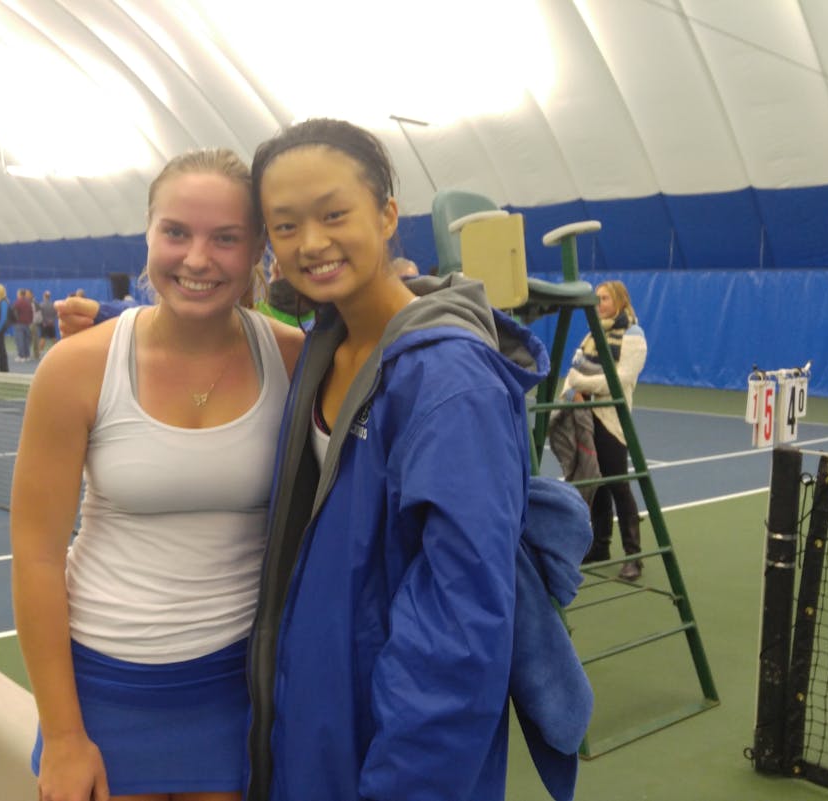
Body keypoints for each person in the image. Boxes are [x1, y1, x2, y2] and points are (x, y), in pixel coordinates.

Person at [246, 118, 544, 801]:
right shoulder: (324, 348)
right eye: (284, 226)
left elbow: (461, 628)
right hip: (312, 733)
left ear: (386, 215)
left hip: (391, 757)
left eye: (333, 214)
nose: (311, 243)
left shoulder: (450, 384)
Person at [9, 147, 302, 801]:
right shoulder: (76, 369)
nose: (197, 259)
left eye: (226, 238)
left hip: (235, 694)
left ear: (257, 249)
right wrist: (62, 735)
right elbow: (35, 556)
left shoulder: (293, 361)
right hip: (99, 697)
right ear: (148, 235)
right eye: (176, 232)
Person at [560, 279, 648, 580]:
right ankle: (600, 545)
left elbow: (618, 380)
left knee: (617, 484)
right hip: (585, 417)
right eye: (596, 299)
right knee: (595, 484)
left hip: (611, 420)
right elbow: (572, 371)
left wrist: (580, 384)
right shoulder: (591, 335)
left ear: (620, 302)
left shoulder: (633, 336)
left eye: (605, 299)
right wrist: (571, 393)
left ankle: (634, 555)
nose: (599, 304)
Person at [11, 288, 34, 361]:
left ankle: (21, 356)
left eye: (17, 293)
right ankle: (27, 355)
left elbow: (13, 312)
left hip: (19, 324)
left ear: (20, 294)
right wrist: (30, 321)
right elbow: (31, 313)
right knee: (26, 341)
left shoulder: (17, 302)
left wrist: (15, 321)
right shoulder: (28, 303)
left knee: (20, 340)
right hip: (27, 324)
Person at [35, 290, 57, 358]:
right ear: (49, 296)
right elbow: (55, 314)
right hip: (51, 324)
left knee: (42, 338)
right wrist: (52, 321)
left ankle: (39, 353)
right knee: (54, 338)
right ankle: (58, 352)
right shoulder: (53, 304)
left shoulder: (41, 305)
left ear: (44, 296)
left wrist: (43, 322)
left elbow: (40, 315)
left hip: (44, 324)